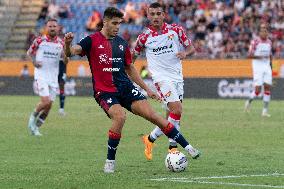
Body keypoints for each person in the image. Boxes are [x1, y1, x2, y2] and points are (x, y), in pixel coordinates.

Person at [64, 7, 200, 173]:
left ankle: (189, 148)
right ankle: (110, 161)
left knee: (154, 116)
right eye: (114, 23)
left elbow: (130, 68)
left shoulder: (121, 43)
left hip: (126, 88)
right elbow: (71, 52)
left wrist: (147, 89)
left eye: (119, 24)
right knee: (120, 117)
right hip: (105, 91)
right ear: (105, 22)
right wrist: (67, 44)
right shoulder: (91, 40)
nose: (117, 27)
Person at [132, 2, 196, 160]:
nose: (155, 17)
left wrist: (185, 53)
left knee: (172, 116)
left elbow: (191, 48)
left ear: (164, 15)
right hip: (161, 79)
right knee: (177, 110)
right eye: (152, 14)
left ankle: (152, 139)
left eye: (158, 13)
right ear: (147, 16)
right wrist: (126, 71)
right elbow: (131, 58)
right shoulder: (144, 37)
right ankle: (174, 148)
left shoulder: (176, 30)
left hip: (177, 77)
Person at [27, 18, 68, 136]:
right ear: (46, 28)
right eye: (50, 26)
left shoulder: (61, 43)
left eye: (54, 26)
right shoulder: (39, 40)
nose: (52, 28)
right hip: (41, 75)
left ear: (58, 28)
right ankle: (31, 120)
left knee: (49, 106)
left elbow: (65, 60)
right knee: (45, 101)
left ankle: (35, 129)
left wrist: (66, 54)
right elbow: (29, 53)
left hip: (53, 78)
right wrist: (34, 62)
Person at [244, 23, 272, 117]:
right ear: (259, 32)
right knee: (258, 90)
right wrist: (259, 57)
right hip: (257, 67)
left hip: (267, 67)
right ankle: (248, 102)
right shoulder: (255, 42)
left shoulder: (269, 42)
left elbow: (270, 55)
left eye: (266, 30)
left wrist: (271, 65)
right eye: (262, 30)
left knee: (268, 87)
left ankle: (264, 111)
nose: (264, 32)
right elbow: (249, 55)